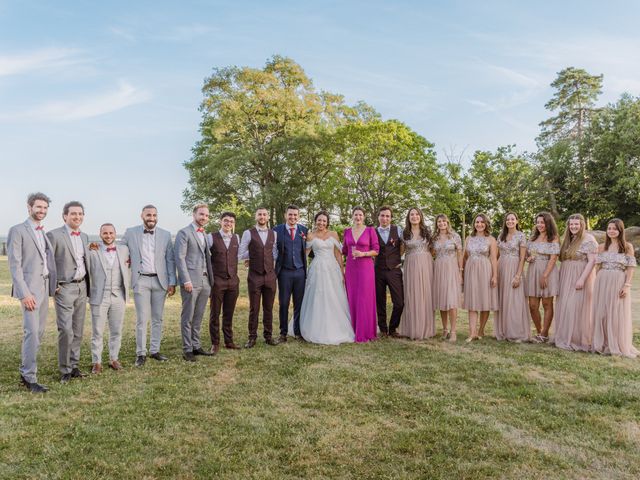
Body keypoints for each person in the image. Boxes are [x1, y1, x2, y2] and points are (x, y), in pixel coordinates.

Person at [7, 192, 57, 393]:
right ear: (29, 207)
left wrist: (53, 284)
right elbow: (15, 265)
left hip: (44, 288)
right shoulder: (18, 230)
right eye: (38, 207)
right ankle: (29, 377)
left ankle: (26, 372)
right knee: (32, 332)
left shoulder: (42, 232)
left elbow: (46, 261)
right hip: (30, 290)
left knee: (39, 332)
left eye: (45, 208)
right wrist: (24, 294)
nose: (42, 211)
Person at [121, 205, 176, 367]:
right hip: (141, 280)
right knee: (142, 318)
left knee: (157, 318)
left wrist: (172, 281)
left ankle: (155, 350)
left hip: (161, 281)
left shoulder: (165, 235)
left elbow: (170, 260)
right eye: (148, 215)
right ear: (142, 216)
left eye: (154, 215)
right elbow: (119, 249)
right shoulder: (130, 233)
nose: (151, 218)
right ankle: (141, 353)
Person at [47, 201, 90, 384]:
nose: (77, 217)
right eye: (73, 214)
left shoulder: (85, 237)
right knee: (65, 329)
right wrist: (53, 284)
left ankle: (74, 366)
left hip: (82, 287)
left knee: (78, 330)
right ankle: (64, 369)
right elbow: (47, 261)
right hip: (64, 287)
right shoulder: (54, 235)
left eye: (80, 214)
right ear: (65, 216)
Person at [296, 211, 354, 344]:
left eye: (324, 221)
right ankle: (315, 327)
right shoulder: (310, 236)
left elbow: (338, 254)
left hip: (332, 268)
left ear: (327, 222)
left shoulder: (333, 234)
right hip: (317, 269)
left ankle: (337, 326)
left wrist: (342, 271)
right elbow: (305, 254)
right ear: (315, 221)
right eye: (319, 220)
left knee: (334, 296)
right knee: (317, 295)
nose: (321, 223)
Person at [592, 218, 638, 358]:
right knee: (601, 312)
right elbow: (597, 267)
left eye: (615, 228)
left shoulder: (627, 247)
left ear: (620, 230)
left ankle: (616, 343)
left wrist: (627, 285)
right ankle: (602, 342)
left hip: (618, 280)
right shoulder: (601, 247)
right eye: (609, 228)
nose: (611, 231)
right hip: (602, 280)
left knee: (615, 312)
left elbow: (630, 268)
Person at [88, 223, 130, 373]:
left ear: (115, 233)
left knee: (116, 330)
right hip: (99, 296)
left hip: (118, 295)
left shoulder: (124, 249)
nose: (108, 236)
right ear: (100, 235)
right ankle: (96, 362)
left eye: (111, 233)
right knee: (97, 331)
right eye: (105, 233)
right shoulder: (92, 250)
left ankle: (114, 358)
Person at [175, 204, 215, 361]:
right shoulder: (184, 233)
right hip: (190, 281)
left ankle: (196, 345)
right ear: (194, 215)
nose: (204, 217)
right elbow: (180, 258)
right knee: (188, 317)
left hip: (205, 281)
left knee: (198, 316)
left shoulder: (204, 233)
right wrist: (186, 280)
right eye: (201, 214)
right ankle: (187, 349)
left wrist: (210, 281)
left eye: (206, 215)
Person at [554, 214, 597, 351]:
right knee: (565, 305)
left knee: (576, 306)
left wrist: (582, 279)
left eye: (576, 224)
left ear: (582, 225)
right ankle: (565, 335)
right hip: (566, 275)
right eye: (571, 224)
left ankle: (578, 339)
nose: (573, 226)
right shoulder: (568, 239)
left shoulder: (588, 239)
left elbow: (592, 261)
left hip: (579, 275)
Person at [239, 207, 280, 348]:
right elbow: (240, 252)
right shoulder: (248, 233)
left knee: (268, 308)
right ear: (255, 217)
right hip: (254, 276)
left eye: (264, 214)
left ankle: (268, 336)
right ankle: (252, 337)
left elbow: (274, 253)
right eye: (259, 214)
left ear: (268, 217)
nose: (262, 217)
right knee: (254, 308)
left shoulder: (273, 234)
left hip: (270, 276)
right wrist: (252, 256)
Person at [342, 207, 379, 343]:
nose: (358, 217)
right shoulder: (346, 231)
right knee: (352, 296)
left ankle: (366, 332)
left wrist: (363, 254)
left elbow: (376, 250)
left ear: (364, 217)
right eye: (356, 215)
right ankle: (353, 329)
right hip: (351, 268)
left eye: (360, 215)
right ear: (352, 216)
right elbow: (344, 250)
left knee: (364, 298)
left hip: (366, 268)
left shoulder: (370, 231)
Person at [399, 207, 435, 340]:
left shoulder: (428, 232)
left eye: (416, 214)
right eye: (411, 214)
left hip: (426, 264)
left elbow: (433, 251)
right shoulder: (404, 233)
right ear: (408, 217)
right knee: (412, 295)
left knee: (425, 295)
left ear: (421, 216)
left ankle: (426, 328)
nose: (414, 216)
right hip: (411, 265)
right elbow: (401, 252)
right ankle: (412, 328)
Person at [208, 211, 241, 354]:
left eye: (231, 222)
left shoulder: (237, 238)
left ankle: (229, 341)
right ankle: (215, 343)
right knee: (215, 313)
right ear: (220, 222)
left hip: (233, 282)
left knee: (229, 313)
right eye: (226, 221)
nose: (228, 223)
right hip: (217, 281)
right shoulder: (211, 237)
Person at [274, 204, 308, 342]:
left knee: (299, 303)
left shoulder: (304, 230)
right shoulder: (277, 230)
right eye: (290, 214)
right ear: (285, 215)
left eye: (295, 215)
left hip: (300, 272)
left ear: (298, 216)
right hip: (284, 272)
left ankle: (298, 331)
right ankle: (283, 333)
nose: (293, 217)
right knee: (284, 303)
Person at [525, 212, 560, 343]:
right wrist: (528, 258)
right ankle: (539, 331)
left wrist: (545, 275)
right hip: (533, 271)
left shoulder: (554, 238)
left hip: (548, 272)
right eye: (538, 222)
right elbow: (527, 254)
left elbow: (553, 257)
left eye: (542, 222)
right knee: (533, 305)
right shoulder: (533, 238)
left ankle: (545, 333)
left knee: (546, 303)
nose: (540, 225)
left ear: (548, 223)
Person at [463, 213, 498, 342]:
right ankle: (472, 333)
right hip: (471, 270)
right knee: (472, 300)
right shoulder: (468, 238)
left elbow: (494, 258)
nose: (479, 224)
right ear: (474, 224)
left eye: (482, 222)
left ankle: (481, 330)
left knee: (484, 300)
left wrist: (495, 275)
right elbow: (465, 256)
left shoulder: (491, 239)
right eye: (477, 222)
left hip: (485, 270)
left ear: (486, 224)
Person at [495, 212, 530, 342]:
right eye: (508, 219)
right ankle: (503, 330)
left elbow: (522, 258)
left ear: (517, 221)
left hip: (515, 267)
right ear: (505, 222)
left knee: (515, 300)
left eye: (512, 219)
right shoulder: (501, 236)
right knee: (503, 299)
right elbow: (497, 256)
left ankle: (516, 332)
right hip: (501, 268)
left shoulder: (521, 236)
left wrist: (518, 275)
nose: (510, 221)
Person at [374, 206, 404, 337]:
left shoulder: (398, 230)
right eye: (382, 215)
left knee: (399, 302)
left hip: (394, 271)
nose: (385, 218)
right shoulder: (372, 231)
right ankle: (383, 329)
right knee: (380, 301)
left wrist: (397, 260)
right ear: (378, 217)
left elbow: (403, 246)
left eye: (387, 216)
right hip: (378, 270)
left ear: (391, 218)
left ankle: (393, 327)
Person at [432, 214, 462, 342]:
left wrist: (460, 271)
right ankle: (444, 329)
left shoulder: (455, 236)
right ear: (436, 224)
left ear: (447, 222)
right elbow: (432, 253)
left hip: (451, 269)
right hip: (438, 269)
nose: (441, 223)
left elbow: (460, 254)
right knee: (442, 300)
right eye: (439, 221)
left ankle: (453, 331)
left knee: (451, 301)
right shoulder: (434, 238)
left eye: (444, 221)